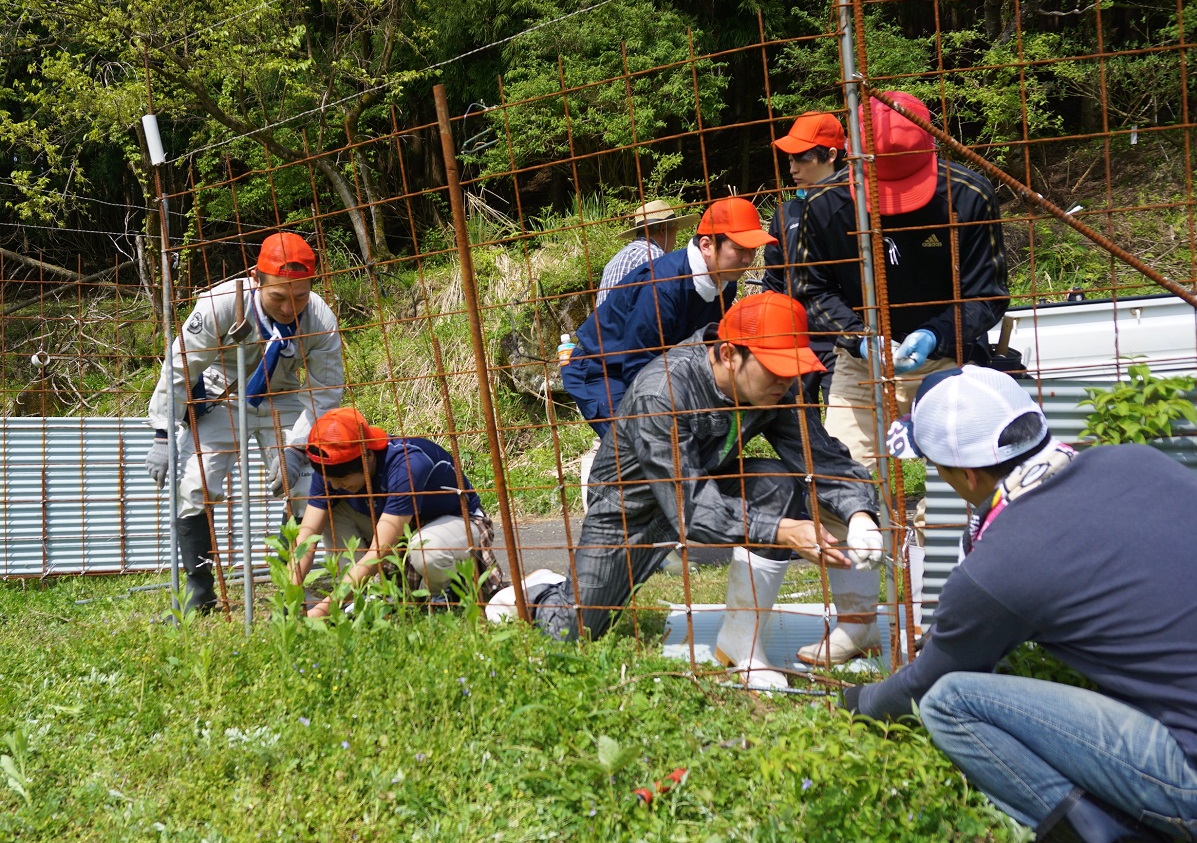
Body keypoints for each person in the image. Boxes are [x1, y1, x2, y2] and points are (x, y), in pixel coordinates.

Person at [843, 365, 1197, 843]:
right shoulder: (1137, 461)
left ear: (966, 473)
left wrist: (858, 703)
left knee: (949, 701)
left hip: (1193, 776)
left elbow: (924, 683)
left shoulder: (1000, 564)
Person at [504, 292, 883, 690]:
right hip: (629, 512)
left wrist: (860, 516)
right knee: (569, 633)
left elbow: (818, 456)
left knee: (775, 483)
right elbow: (690, 512)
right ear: (728, 354)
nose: (786, 380)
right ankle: (537, 592)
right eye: (775, 369)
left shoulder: (774, 388)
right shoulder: (662, 392)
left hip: (703, 486)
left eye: (793, 369)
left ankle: (741, 644)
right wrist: (783, 532)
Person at [792, 91, 1009, 664]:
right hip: (860, 364)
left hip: (945, 361)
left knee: (947, 495)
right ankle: (858, 622)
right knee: (840, 483)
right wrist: (858, 336)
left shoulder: (968, 196)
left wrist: (937, 334)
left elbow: (988, 294)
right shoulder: (825, 207)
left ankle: (941, 626)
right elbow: (811, 291)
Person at [144, 232, 344, 615]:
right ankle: (198, 592)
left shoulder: (319, 318)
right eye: (278, 297)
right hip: (225, 394)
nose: (290, 307)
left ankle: (292, 586)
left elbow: (325, 391)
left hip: (284, 395)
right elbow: (181, 366)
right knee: (194, 484)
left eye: (299, 296)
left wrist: (296, 448)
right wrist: (163, 433)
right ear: (257, 278)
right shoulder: (219, 305)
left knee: (306, 487)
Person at [562, 196, 774, 439]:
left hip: (653, 366)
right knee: (637, 446)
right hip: (605, 370)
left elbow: (703, 346)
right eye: (739, 249)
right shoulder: (663, 286)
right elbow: (638, 362)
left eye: (752, 249)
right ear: (706, 245)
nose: (748, 259)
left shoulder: (725, 282)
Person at [289, 407, 503, 618]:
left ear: (368, 457)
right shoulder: (329, 466)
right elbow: (306, 539)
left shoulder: (407, 464)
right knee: (329, 513)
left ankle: (445, 597)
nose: (334, 486)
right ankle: (356, 598)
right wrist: (290, 601)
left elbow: (379, 551)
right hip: (401, 525)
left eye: (343, 480)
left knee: (425, 550)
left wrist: (322, 610)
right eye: (330, 481)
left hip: (456, 521)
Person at [762, 111, 848, 406]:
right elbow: (773, 278)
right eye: (789, 159)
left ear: (831, 155)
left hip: (845, 338)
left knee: (844, 425)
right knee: (802, 430)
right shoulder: (786, 213)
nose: (793, 167)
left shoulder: (857, 208)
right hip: (796, 339)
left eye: (801, 158)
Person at [595, 199, 699, 306]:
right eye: (675, 231)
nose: (675, 240)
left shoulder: (616, 259)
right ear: (663, 230)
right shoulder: (653, 255)